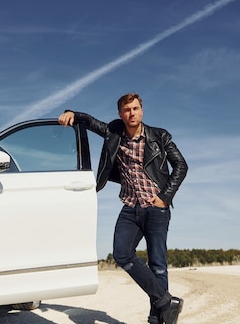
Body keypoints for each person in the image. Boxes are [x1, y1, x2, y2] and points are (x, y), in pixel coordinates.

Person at [58, 92, 188, 324]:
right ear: (120, 114)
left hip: (156, 208)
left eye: (136, 108)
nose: (132, 113)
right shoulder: (114, 133)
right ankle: (166, 302)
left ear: (142, 110)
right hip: (130, 206)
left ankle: (159, 319)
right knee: (122, 253)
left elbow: (181, 165)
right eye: (127, 110)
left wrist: (165, 197)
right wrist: (72, 114)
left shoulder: (159, 136)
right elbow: (89, 121)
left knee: (158, 264)